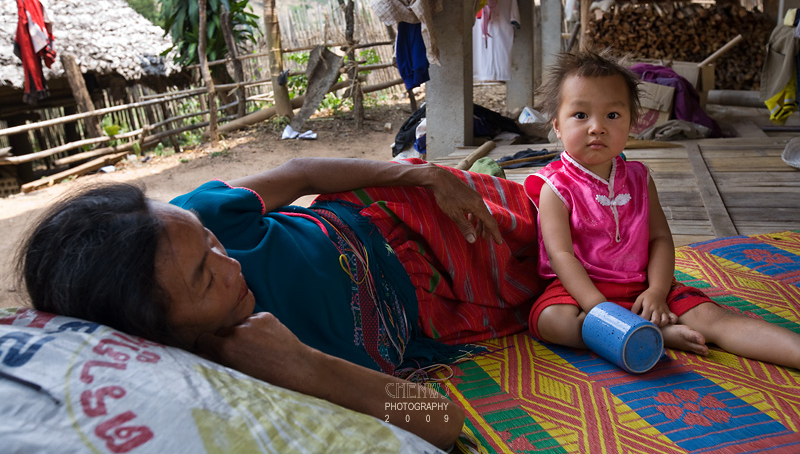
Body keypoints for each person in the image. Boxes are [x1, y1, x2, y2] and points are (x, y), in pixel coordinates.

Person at [17, 156, 543, 449]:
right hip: (432, 312)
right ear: (158, 332)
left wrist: (423, 176)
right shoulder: (243, 374)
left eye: (211, 242)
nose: (231, 265)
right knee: (547, 287)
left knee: (542, 218)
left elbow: (304, 173)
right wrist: (304, 366)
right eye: (205, 278)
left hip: (390, 213)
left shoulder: (190, 217)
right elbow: (441, 420)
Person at [524, 50, 800, 370]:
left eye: (613, 115)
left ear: (632, 124)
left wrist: (657, 290)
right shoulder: (554, 187)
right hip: (582, 293)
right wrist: (601, 310)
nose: (597, 127)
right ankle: (654, 333)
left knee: (715, 318)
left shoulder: (640, 178)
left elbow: (660, 239)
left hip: (644, 287)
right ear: (557, 126)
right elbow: (562, 257)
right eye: (581, 115)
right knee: (553, 322)